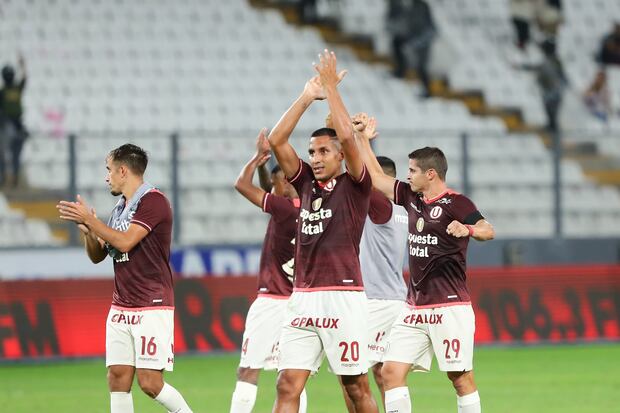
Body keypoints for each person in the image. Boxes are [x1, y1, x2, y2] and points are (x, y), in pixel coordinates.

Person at [353, 117, 495, 413]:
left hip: (449, 306)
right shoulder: (411, 198)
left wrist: (467, 229)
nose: (407, 176)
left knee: (460, 378)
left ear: (430, 174)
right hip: (414, 308)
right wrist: (363, 139)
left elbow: (487, 230)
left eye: (412, 171)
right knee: (390, 372)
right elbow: (376, 178)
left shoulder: (457, 203)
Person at [268, 49, 378, 413]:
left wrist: (331, 88)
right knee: (286, 384)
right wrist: (306, 96)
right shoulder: (304, 184)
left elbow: (347, 136)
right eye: (312, 152)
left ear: (340, 156)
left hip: (343, 296)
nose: (315, 158)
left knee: (356, 387)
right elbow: (276, 141)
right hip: (302, 296)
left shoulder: (356, 184)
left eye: (323, 152)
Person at [56, 144, 192, 413]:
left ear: (122, 171)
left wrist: (93, 222)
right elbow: (99, 255)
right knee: (117, 377)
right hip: (121, 306)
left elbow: (126, 241)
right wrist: (89, 232)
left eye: (109, 170)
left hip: (151, 304)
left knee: (150, 383)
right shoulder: (120, 209)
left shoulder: (154, 201)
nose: (106, 177)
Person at [230, 128, 307, 413]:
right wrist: (267, 169)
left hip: (272, 301)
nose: (270, 189)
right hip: (300, 302)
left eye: (275, 184)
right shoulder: (308, 208)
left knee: (248, 371)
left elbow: (242, 184)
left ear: (285, 182)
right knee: (292, 377)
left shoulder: (283, 209)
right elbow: (268, 190)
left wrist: (257, 157)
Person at [387, 0, 436, 97]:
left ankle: (427, 91)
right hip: (413, 38)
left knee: (421, 67)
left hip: (422, 40)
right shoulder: (411, 7)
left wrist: (417, 41)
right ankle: (400, 71)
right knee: (397, 43)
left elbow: (431, 30)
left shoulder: (422, 7)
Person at [0, 54, 28, 187]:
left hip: (16, 125)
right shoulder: (4, 91)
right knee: (7, 153)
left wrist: (22, 65)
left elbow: (24, 79)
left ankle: (12, 178)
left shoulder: (13, 89)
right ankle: (6, 177)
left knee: (13, 153)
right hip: (9, 124)